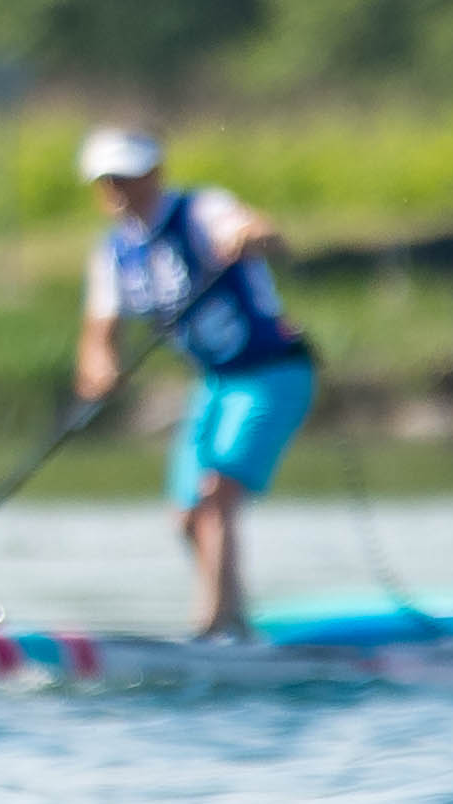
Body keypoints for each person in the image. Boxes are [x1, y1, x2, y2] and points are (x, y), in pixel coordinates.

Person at [71, 126, 312, 640]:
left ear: (154, 174)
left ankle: (212, 626)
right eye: (107, 180)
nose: (117, 190)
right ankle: (236, 623)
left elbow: (264, 232)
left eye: (126, 177)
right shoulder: (114, 252)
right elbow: (99, 337)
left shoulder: (200, 210)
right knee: (186, 517)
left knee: (215, 493)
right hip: (216, 383)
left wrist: (249, 236)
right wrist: (101, 372)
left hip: (271, 373)